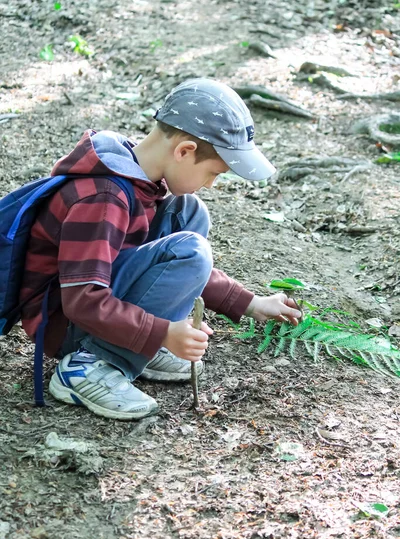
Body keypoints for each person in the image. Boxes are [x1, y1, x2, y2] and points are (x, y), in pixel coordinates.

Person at [20, 78, 302, 420]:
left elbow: (160, 259)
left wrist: (249, 303)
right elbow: (82, 299)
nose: (212, 183)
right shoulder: (104, 197)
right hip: (65, 323)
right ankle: (89, 364)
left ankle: (131, 343)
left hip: (94, 304)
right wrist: (164, 332)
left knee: (188, 210)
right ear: (184, 151)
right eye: (214, 173)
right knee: (191, 247)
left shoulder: (136, 176)